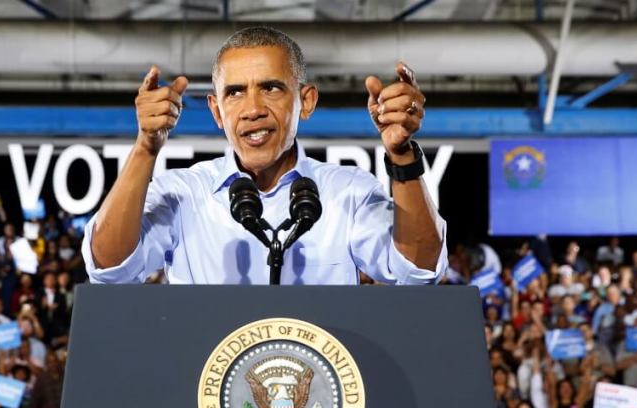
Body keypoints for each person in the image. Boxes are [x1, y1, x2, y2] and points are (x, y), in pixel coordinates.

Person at [83, 26, 446, 285]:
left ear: (306, 101)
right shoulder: (182, 193)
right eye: (235, 93)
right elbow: (109, 268)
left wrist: (401, 156)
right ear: (216, 111)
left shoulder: (349, 191)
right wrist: (146, 146)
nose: (252, 109)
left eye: (271, 88)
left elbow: (418, 270)